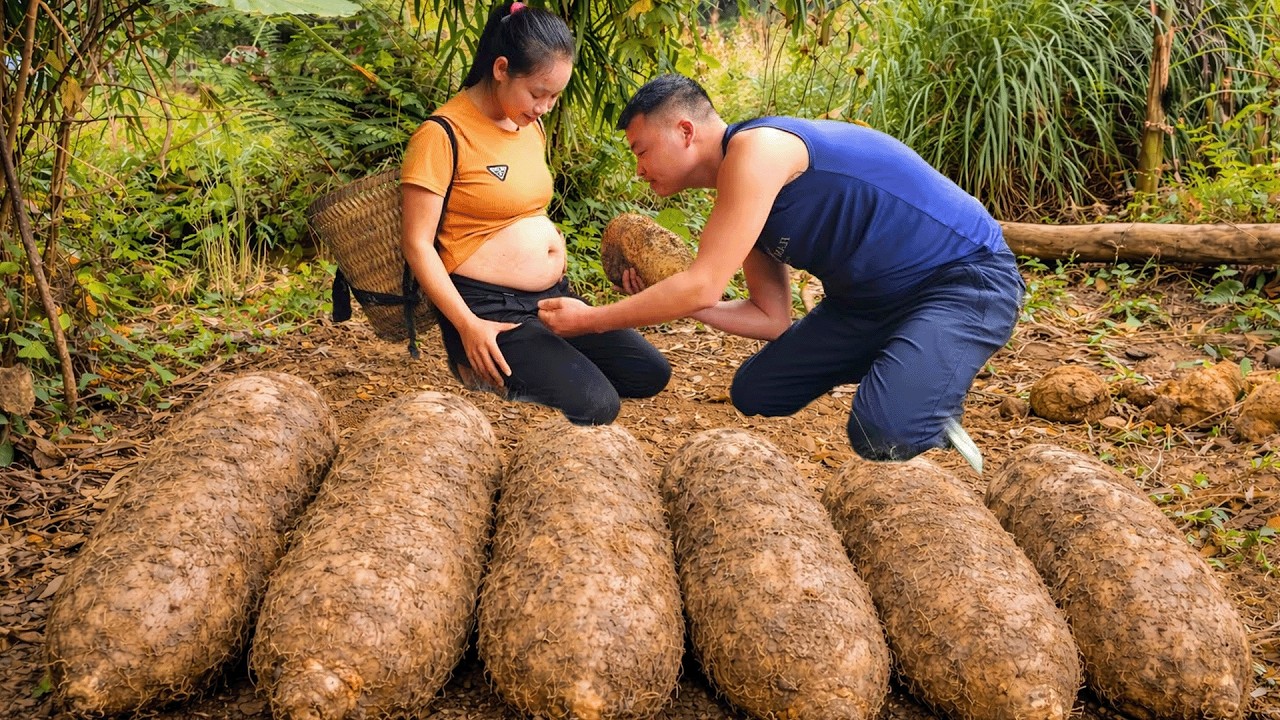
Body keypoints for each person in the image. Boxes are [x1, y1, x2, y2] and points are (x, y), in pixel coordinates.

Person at [538, 73, 1024, 467]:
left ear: (685, 131)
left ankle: (924, 393)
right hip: (866, 306)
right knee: (758, 391)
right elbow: (771, 318)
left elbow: (701, 285)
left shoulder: (758, 151)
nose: (639, 169)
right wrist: (674, 297)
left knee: (884, 432)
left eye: (641, 151)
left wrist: (591, 320)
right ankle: (911, 359)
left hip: (964, 281)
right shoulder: (738, 195)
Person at [400, 2, 670, 426]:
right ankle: (478, 362)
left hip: (550, 297)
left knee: (649, 372)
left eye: (555, 96)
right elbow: (417, 245)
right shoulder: (441, 135)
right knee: (598, 405)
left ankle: (547, 358)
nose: (545, 107)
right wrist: (468, 325)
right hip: (487, 307)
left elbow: (524, 206)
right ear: (501, 69)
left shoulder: (529, 126)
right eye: (538, 93)